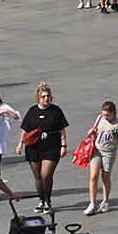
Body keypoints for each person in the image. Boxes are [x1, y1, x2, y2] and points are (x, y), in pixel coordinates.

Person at [19, 83, 70, 214]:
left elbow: (62, 129)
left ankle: (47, 200)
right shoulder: (32, 111)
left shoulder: (56, 110)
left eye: (48, 96)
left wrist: (64, 145)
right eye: (43, 97)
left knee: (45, 175)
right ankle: (41, 200)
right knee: (37, 176)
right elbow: (25, 129)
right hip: (34, 148)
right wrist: (20, 143)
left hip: (52, 147)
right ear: (38, 98)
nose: (46, 99)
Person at [82, 100, 118, 215]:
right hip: (96, 150)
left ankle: (105, 201)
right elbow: (95, 130)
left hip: (109, 153)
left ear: (114, 113)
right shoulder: (99, 118)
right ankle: (92, 203)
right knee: (93, 176)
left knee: (105, 176)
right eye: (103, 114)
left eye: (108, 115)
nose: (105, 117)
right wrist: (91, 131)